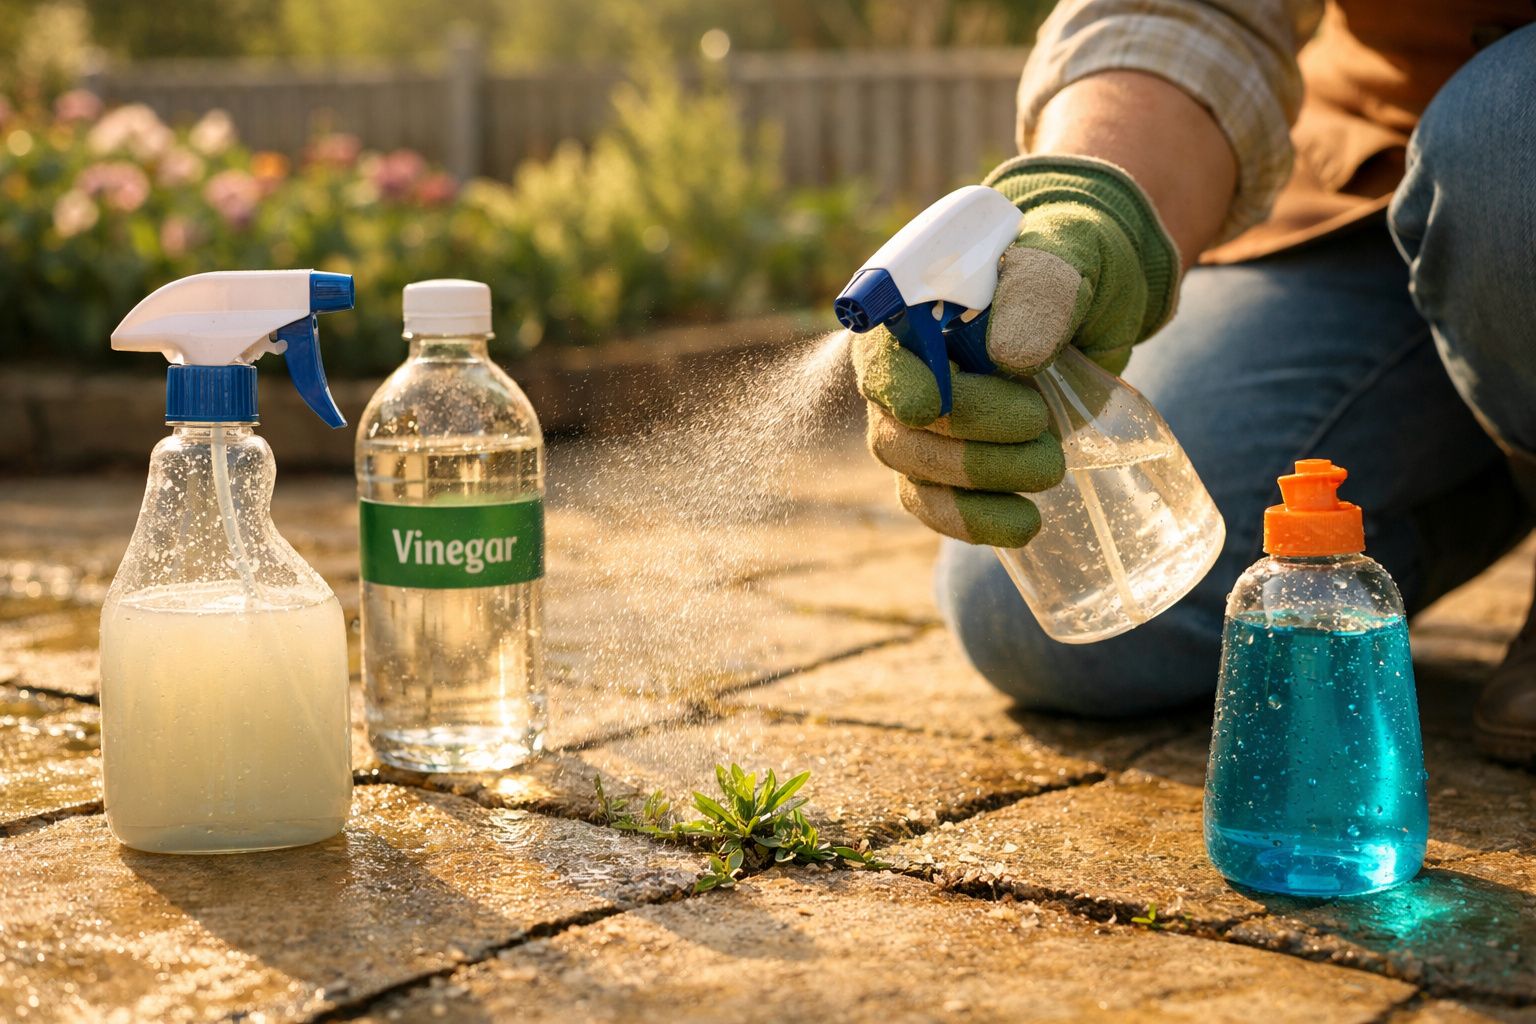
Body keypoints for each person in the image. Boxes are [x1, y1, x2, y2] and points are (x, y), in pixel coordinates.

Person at [850, 0, 1536, 763]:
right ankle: (1501, 442)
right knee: (1020, 613)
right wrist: (1089, 201)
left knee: (1510, 130)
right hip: (1374, 168)